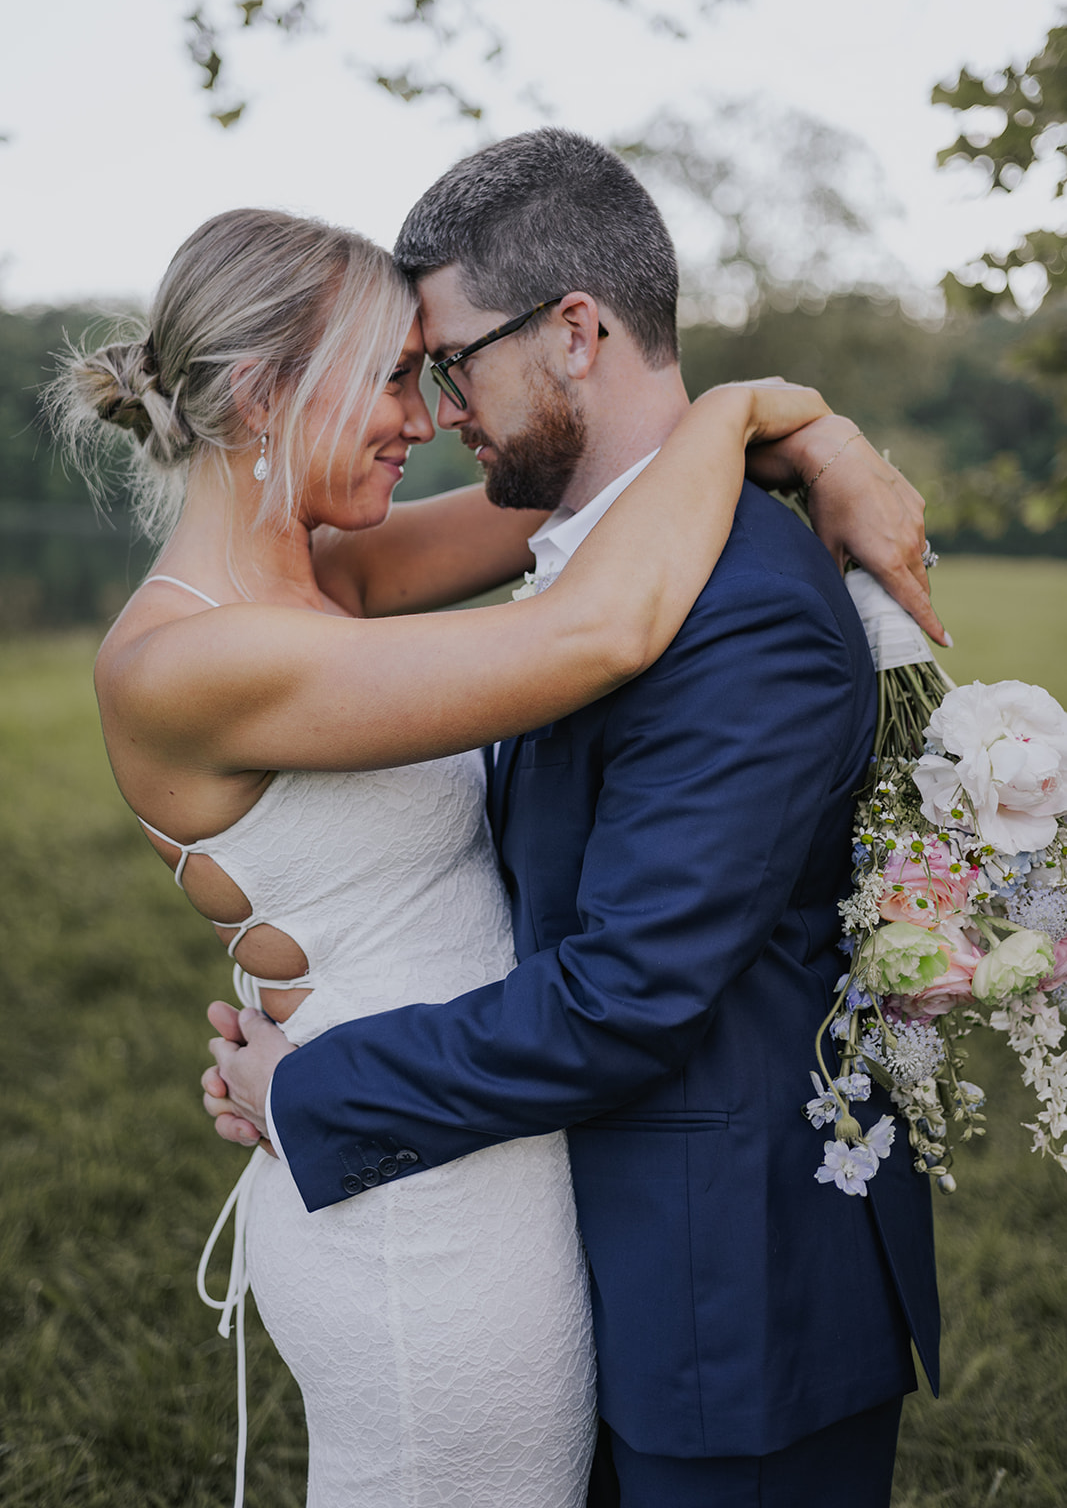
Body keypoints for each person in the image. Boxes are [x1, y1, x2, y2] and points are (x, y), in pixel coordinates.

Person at [53, 203, 888, 1508]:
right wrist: (737, 412)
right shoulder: (190, 660)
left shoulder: (331, 579)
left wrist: (816, 440)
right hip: (407, 1200)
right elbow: (594, 632)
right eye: (393, 375)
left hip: (474, 1144)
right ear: (268, 392)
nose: (425, 416)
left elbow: (599, 491)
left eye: (431, 372)